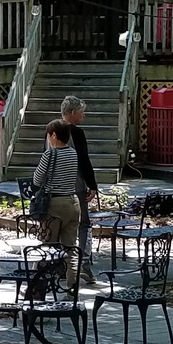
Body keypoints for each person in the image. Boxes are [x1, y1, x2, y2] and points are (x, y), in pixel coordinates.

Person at [30, 120, 82, 283]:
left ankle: (36, 286)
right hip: (73, 202)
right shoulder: (73, 153)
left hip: (55, 205)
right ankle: (72, 290)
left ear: (54, 135)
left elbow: (37, 180)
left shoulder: (49, 154)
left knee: (45, 246)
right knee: (70, 249)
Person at [60, 94, 98, 282]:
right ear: (73, 113)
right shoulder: (77, 133)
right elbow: (84, 161)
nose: (83, 117)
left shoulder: (51, 131)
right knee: (84, 225)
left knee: (60, 226)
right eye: (81, 113)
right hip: (75, 185)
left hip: (57, 188)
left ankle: (60, 263)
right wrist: (92, 185)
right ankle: (84, 264)